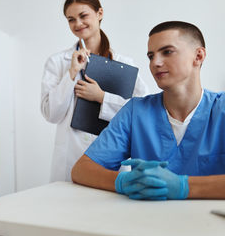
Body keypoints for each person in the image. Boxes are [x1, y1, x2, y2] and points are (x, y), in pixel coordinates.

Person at [72, 20, 225, 200]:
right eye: (151, 56)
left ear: (198, 56)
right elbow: (81, 170)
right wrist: (122, 181)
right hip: (146, 223)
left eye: (167, 52)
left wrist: (184, 186)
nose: (155, 63)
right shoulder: (136, 112)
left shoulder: (220, 109)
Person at [41, 0, 149, 182]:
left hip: (111, 156)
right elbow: (51, 114)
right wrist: (71, 73)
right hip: (70, 158)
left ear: (100, 14)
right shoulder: (58, 62)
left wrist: (102, 97)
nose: (78, 24)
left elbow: (141, 112)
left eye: (83, 16)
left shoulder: (126, 64)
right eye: (71, 19)